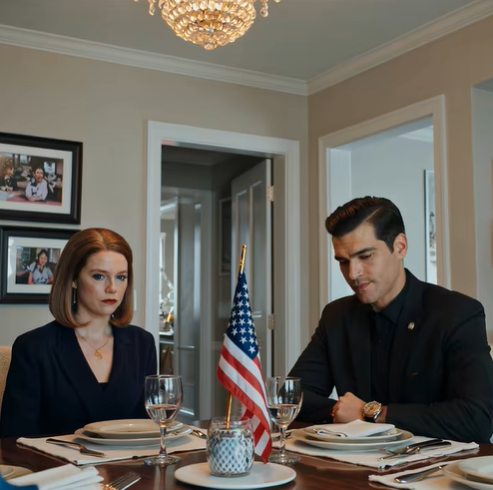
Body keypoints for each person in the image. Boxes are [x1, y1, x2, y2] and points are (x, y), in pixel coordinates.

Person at [289, 196, 493, 443]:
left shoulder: (457, 313)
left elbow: (477, 420)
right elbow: (291, 398)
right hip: (352, 461)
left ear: (400, 247)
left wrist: (371, 413)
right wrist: (342, 412)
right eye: (343, 261)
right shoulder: (336, 316)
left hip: (436, 464)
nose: (353, 273)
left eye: (365, 256)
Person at [0, 228, 157, 438]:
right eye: (99, 276)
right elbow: (13, 441)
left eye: (121, 277)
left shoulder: (142, 343)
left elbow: (148, 430)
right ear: (73, 278)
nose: (112, 288)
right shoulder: (33, 347)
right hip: (53, 460)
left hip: (132, 460)